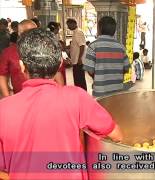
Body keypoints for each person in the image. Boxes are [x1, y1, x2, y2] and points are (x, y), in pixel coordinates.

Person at [0, 28, 123, 180]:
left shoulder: (3, 109)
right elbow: (116, 134)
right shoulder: (76, 97)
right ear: (60, 63)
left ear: (22, 66)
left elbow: (3, 165)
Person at [83, 16, 130, 97]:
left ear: (99, 29)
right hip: (117, 89)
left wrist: (98, 79)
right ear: (114, 30)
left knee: (100, 109)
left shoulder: (93, 46)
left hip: (100, 90)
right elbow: (126, 68)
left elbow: (90, 70)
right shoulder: (121, 47)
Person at [0, 20, 37, 97]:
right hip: (20, 97)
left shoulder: (45, 49)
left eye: (35, 31)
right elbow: (2, 75)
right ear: (19, 33)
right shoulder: (9, 52)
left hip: (43, 97)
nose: (32, 34)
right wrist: (7, 96)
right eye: (28, 31)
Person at [67, 18, 87, 91]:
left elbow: (82, 46)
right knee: (77, 80)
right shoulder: (75, 33)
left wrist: (79, 58)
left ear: (74, 24)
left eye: (69, 25)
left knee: (80, 80)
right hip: (75, 60)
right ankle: (80, 94)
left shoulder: (78, 32)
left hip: (78, 61)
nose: (68, 27)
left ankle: (83, 95)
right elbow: (75, 45)